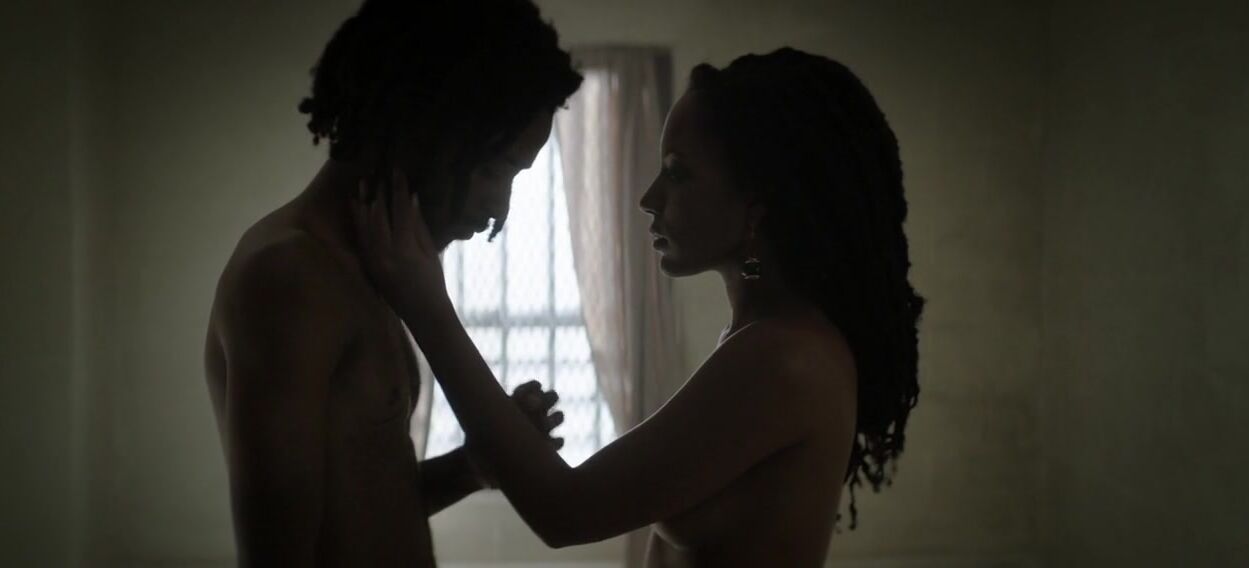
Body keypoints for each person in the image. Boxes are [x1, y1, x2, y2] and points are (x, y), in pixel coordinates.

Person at [353, 47, 926, 567]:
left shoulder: (784, 358)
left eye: (677, 174)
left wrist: (427, 305)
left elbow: (566, 511)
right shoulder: (760, 338)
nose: (650, 199)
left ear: (756, 206)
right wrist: (473, 464)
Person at [202, 0, 583, 565]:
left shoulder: (369, 273)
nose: (498, 209)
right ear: (421, 128)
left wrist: (470, 467)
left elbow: (357, 511)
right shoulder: (292, 278)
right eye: (493, 169)